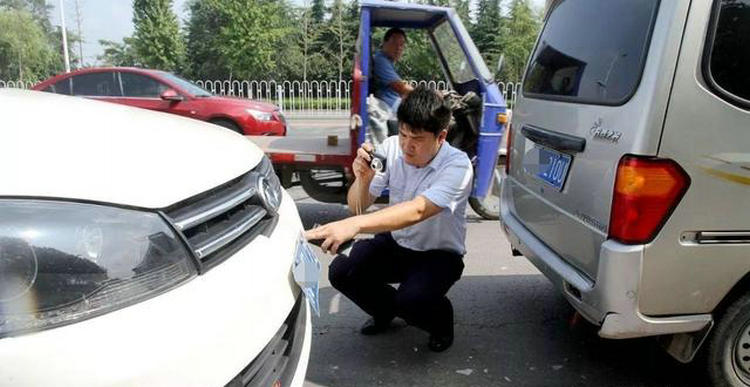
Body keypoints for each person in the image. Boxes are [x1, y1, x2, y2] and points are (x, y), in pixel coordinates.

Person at [305, 86, 473, 352]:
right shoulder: (390, 148)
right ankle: (386, 311)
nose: (407, 145)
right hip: (396, 245)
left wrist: (353, 226)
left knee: (412, 301)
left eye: (416, 138)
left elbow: (418, 210)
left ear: (441, 136)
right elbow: (357, 206)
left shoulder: (458, 166)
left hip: (439, 255)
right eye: (404, 133)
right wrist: (363, 178)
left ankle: (440, 320)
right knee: (342, 271)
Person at [367, 28, 415, 145]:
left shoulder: (388, 62)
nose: (398, 48)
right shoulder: (380, 60)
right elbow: (401, 88)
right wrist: (427, 94)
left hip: (394, 105)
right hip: (391, 108)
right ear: (384, 43)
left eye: (401, 45)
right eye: (394, 43)